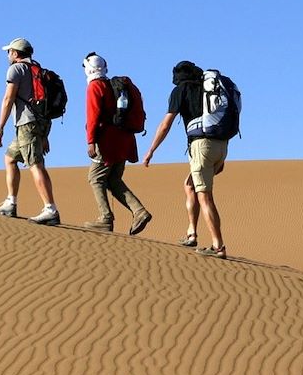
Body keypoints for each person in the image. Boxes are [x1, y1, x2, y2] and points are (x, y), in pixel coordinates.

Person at [142, 61, 229, 259]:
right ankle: (192, 233)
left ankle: (218, 246)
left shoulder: (180, 90)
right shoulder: (209, 89)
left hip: (201, 146)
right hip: (221, 145)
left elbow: (166, 124)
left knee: (204, 195)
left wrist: (151, 150)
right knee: (190, 185)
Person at [82, 52, 152, 234]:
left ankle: (105, 218)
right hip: (125, 140)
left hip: (107, 141)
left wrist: (91, 141)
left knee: (95, 178)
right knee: (113, 180)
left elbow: (93, 116)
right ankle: (139, 211)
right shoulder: (114, 87)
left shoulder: (95, 87)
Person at [0, 38, 60, 225]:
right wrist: (44, 135)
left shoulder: (16, 69)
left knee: (35, 164)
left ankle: (50, 209)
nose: (8, 55)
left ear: (15, 53)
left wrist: (0, 128)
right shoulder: (38, 70)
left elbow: (8, 98)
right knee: (10, 158)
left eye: (9, 52)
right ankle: (11, 202)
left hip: (27, 125)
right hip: (40, 123)